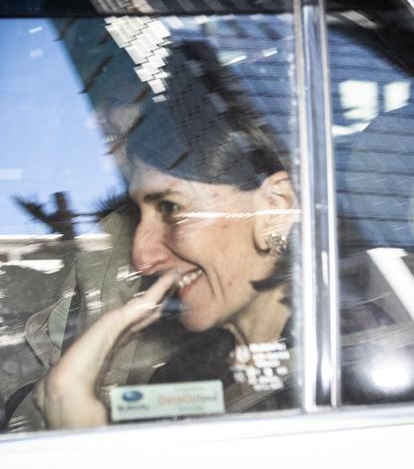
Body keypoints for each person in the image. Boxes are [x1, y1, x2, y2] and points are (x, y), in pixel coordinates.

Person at [33, 41, 300, 429]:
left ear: (274, 211)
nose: (141, 258)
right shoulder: (179, 381)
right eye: (139, 212)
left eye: (171, 209)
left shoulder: (361, 375)